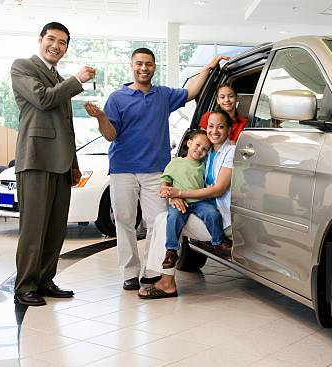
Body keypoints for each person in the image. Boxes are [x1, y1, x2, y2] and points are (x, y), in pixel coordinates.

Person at [84, 48, 227, 291]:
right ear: (131, 66)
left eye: (148, 64)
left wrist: (210, 66)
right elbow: (110, 135)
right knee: (125, 221)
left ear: (154, 67)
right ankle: (130, 272)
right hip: (123, 168)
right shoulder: (117, 98)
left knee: (157, 222)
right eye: (139, 63)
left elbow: (192, 92)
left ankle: (152, 271)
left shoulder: (163, 95)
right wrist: (100, 118)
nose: (143, 68)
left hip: (156, 172)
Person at [11, 22, 95, 306]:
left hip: (61, 163)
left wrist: (73, 162)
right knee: (34, 228)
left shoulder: (57, 76)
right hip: (35, 159)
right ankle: (24, 287)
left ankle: (45, 280)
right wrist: (77, 80)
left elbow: (66, 126)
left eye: (62, 42)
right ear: (40, 40)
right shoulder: (22, 67)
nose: (56, 46)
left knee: (56, 227)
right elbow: (43, 99)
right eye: (51, 39)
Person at [139, 110, 235, 299]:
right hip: (199, 207)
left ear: (229, 129)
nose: (214, 131)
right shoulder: (207, 154)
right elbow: (175, 177)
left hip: (216, 216)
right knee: (164, 218)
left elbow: (218, 190)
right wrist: (173, 196)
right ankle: (166, 262)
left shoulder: (229, 151)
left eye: (221, 127)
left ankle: (164, 279)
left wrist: (179, 193)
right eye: (210, 126)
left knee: (163, 220)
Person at [159, 129, 231, 284]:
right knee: (173, 217)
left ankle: (218, 243)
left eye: (205, 149)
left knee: (212, 214)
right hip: (180, 201)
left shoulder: (204, 164)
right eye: (197, 145)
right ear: (188, 143)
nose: (200, 150)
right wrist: (169, 193)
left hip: (199, 202)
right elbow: (165, 180)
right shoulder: (176, 162)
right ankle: (171, 250)